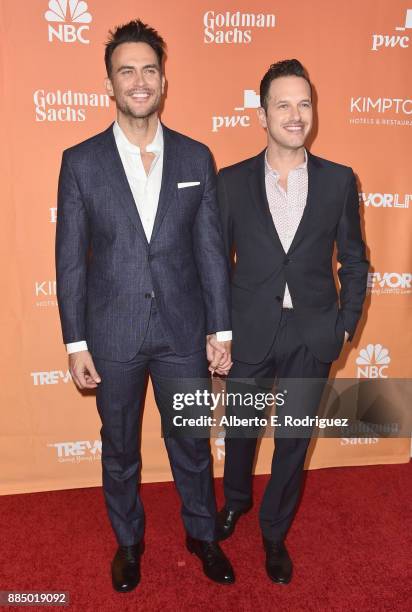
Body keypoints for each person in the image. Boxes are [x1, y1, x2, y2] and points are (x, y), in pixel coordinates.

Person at [55, 19, 234, 592]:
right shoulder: (80, 162)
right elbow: (71, 261)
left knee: (190, 443)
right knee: (120, 448)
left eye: (148, 69)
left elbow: (210, 252)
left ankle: (202, 534)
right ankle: (129, 542)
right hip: (113, 334)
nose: (139, 80)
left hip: (184, 331)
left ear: (164, 79)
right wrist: (76, 341)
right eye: (126, 70)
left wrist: (220, 330)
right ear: (109, 83)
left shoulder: (195, 157)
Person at [216, 59, 369, 584]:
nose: (296, 114)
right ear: (262, 114)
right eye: (283, 104)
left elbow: (354, 259)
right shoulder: (231, 182)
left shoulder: (338, 181)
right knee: (240, 429)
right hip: (249, 329)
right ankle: (235, 500)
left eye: (304, 102)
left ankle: (274, 531)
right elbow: (214, 262)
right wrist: (218, 331)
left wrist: (346, 325)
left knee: (293, 441)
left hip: (313, 331)